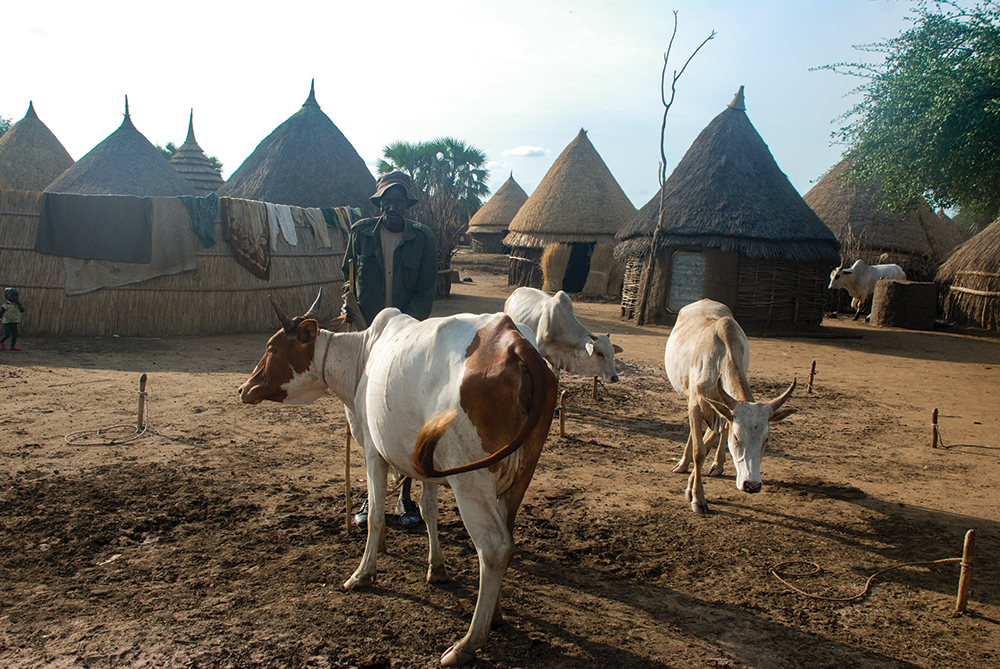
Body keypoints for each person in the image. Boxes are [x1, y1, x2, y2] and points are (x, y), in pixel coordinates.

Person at [342, 170, 437, 529]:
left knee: (405, 415)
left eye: (399, 200)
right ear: (379, 202)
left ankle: (404, 496)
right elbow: (347, 279)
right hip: (365, 337)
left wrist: (401, 335)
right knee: (365, 418)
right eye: (386, 200)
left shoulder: (423, 239)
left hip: (405, 342)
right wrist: (348, 306)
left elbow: (425, 294)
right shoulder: (360, 234)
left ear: (407, 204)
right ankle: (373, 494)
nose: (392, 207)